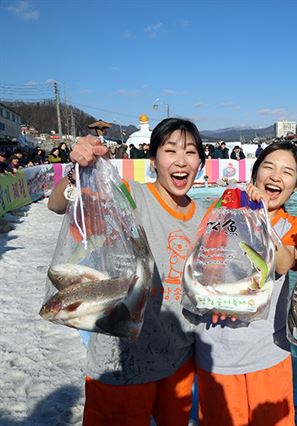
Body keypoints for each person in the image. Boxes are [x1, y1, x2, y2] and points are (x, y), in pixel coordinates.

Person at [48, 117, 208, 425]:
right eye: (170, 150)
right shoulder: (130, 196)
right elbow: (59, 205)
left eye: (190, 152)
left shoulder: (205, 217)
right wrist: (76, 172)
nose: (181, 161)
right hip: (120, 361)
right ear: (153, 160)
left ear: (200, 161)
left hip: (179, 360)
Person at [196, 141, 297, 426]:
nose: (275, 177)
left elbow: (283, 264)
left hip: (268, 355)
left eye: (287, 172)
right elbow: (203, 259)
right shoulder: (226, 209)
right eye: (268, 167)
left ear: (295, 186)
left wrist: (260, 215)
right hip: (217, 351)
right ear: (255, 174)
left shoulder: (294, 227)